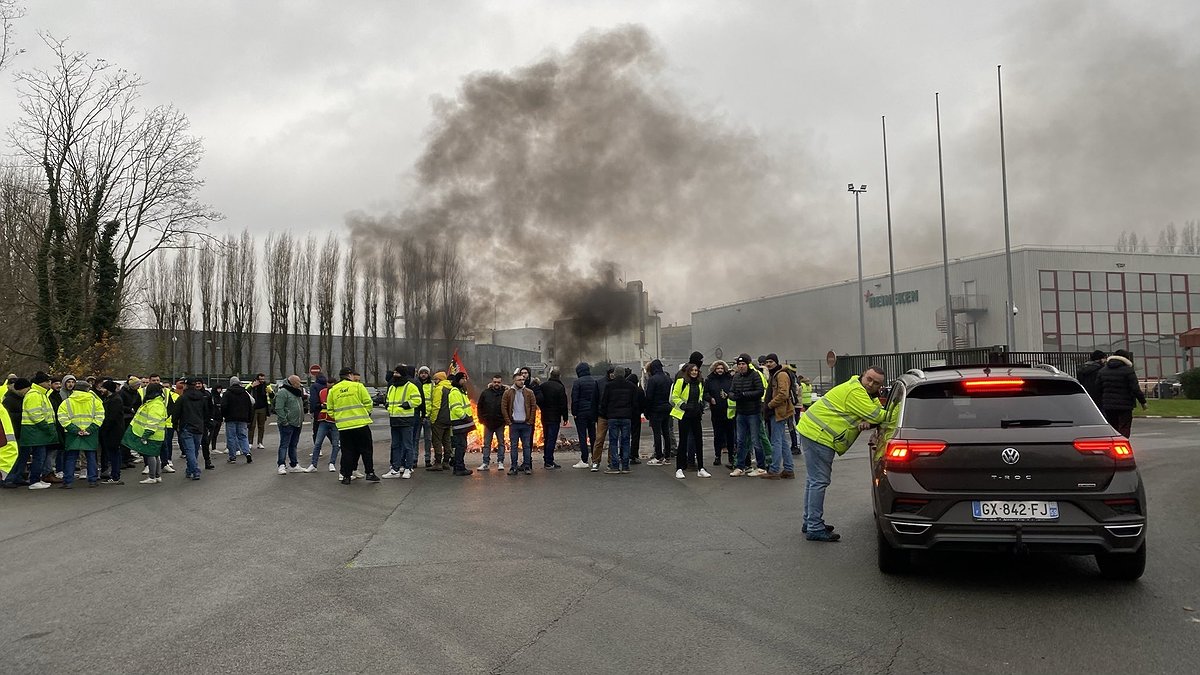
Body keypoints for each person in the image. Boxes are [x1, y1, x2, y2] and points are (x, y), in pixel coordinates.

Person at [796, 367, 887, 542]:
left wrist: (870, 418)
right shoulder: (856, 392)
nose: (871, 384)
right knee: (818, 481)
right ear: (863, 375)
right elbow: (879, 415)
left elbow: (873, 413)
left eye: (876, 383)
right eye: (869, 379)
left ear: (880, 387)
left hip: (812, 431)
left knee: (812, 480)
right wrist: (873, 418)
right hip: (820, 435)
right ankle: (814, 527)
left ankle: (810, 522)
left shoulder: (857, 388)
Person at [328, 367, 379, 485]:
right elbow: (368, 402)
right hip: (360, 424)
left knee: (347, 451)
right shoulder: (358, 386)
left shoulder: (333, 390)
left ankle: (346, 476)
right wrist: (365, 413)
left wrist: (339, 418)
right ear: (350, 375)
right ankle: (370, 473)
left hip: (344, 427)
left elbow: (330, 409)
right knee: (366, 450)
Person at [57, 380, 104, 488]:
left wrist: (74, 429)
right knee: (91, 456)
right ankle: (92, 480)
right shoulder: (94, 401)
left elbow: (62, 417)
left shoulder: (67, 402)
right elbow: (100, 416)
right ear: (87, 389)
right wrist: (90, 429)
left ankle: (68, 481)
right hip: (90, 433)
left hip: (72, 434)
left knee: (71, 457)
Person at [123, 383, 169, 485]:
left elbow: (153, 421)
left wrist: (146, 434)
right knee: (155, 455)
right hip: (157, 434)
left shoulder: (154, 404)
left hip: (152, 434)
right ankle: (157, 476)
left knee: (150, 455)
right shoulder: (156, 403)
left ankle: (152, 476)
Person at [382, 365, 422, 479]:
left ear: (402, 374)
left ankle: (408, 468)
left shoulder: (410, 386)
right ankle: (395, 469)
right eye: (394, 372)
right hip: (394, 420)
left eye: (397, 373)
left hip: (406, 420)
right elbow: (389, 401)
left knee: (408, 445)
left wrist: (407, 404)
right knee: (395, 445)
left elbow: (418, 400)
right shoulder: (392, 387)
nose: (395, 375)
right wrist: (388, 407)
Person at [671, 362, 710, 479]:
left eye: (696, 370)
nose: (694, 372)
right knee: (683, 442)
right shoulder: (681, 382)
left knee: (699, 441)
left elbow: (701, 396)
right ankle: (679, 468)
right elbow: (675, 396)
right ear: (688, 371)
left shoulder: (700, 383)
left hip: (696, 414)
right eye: (692, 370)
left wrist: (701, 405)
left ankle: (701, 468)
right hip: (685, 414)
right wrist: (683, 405)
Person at [1097, 350, 1147, 438]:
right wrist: (1142, 402)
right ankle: (1123, 444)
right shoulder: (1128, 371)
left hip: (1108, 405)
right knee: (1124, 426)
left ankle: (1113, 444)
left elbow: (1098, 388)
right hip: (1125, 404)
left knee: (1112, 426)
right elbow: (1135, 388)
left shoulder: (1103, 371)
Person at [20, 372, 56, 490]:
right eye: (48, 382)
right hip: (35, 430)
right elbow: (35, 414)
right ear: (42, 383)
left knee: (40, 456)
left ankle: (36, 479)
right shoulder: (34, 395)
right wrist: (46, 426)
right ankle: (34, 480)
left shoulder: (40, 394)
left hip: (37, 431)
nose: (49, 384)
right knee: (39, 457)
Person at [763, 354, 797, 480]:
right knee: (782, 441)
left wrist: (770, 405)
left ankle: (774, 470)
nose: (768, 364)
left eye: (771, 361)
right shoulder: (775, 374)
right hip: (778, 411)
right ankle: (788, 469)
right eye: (767, 362)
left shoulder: (780, 374)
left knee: (776, 441)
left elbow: (783, 394)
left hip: (778, 412)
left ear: (776, 362)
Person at [599, 366, 638, 474]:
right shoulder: (631, 386)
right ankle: (625, 466)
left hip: (613, 417)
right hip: (626, 417)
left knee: (613, 442)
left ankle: (614, 466)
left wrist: (606, 414)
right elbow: (635, 403)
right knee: (625, 441)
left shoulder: (609, 386)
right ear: (625, 374)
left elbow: (604, 402)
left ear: (615, 374)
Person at [502, 372, 537, 475]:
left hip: (526, 424)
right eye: (519, 380)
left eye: (523, 380)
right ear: (514, 381)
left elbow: (533, 406)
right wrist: (509, 421)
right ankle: (513, 467)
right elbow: (503, 407)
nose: (522, 381)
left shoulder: (529, 392)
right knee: (514, 446)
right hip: (514, 424)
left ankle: (527, 466)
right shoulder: (508, 393)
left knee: (526, 446)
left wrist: (530, 421)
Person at [704, 360, 736, 468]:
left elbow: (734, 391)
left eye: (722, 368)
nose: (720, 370)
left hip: (729, 411)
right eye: (718, 368)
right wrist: (710, 398)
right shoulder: (709, 380)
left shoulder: (730, 379)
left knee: (730, 435)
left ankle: (731, 456)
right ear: (714, 369)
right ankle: (717, 456)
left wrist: (729, 395)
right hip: (716, 411)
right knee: (717, 435)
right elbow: (705, 393)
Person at [305, 375, 340, 472]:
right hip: (323, 420)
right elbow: (316, 403)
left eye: (331, 385)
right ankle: (313, 464)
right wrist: (320, 406)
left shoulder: (338, 393)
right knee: (317, 443)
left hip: (334, 420)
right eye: (328, 385)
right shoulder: (322, 392)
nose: (329, 387)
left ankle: (332, 463)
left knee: (335, 444)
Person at [537, 367, 569, 469]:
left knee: (547, 438)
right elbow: (563, 404)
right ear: (559, 376)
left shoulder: (543, 386)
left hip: (544, 416)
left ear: (550, 375)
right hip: (555, 417)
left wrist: (543, 408)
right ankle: (549, 461)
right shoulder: (560, 387)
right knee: (551, 439)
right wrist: (565, 417)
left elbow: (539, 399)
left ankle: (547, 459)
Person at [1, 378, 30, 488]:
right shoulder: (9, 400)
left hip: (19, 432)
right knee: (12, 457)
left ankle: (17, 477)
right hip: (12, 432)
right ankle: (8, 479)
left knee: (21, 457)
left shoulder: (20, 399)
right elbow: (8, 418)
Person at [570, 362, 600, 469]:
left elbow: (575, 399)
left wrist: (574, 413)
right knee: (593, 436)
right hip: (592, 413)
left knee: (582, 436)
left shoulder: (577, 382)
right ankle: (595, 459)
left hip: (581, 413)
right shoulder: (594, 381)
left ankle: (584, 460)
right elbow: (597, 398)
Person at [275, 375, 306, 475]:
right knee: (284, 444)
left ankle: (294, 464)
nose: (300, 385)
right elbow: (279, 408)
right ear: (292, 383)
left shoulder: (297, 393)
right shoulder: (283, 392)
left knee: (293, 445)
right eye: (298, 383)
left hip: (297, 423)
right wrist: (284, 421)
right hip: (287, 424)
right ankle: (281, 465)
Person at [643, 360, 672, 466]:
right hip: (667, 408)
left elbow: (649, 397)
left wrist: (647, 411)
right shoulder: (668, 379)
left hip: (656, 409)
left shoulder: (652, 380)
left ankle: (658, 456)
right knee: (666, 432)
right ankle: (667, 456)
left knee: (657, 433)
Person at [96, 380, 126, 485]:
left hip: (114, 432)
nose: (101, 390)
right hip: (112, 431)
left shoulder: (115, 400)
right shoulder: (110, 399)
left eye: (103, 388)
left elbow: (111, 418)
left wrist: (104, 429)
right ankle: (114, 475)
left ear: (108, 389)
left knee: (114, 454)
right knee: (113, 453)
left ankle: (115, 476)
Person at [476, 373, 507, 471]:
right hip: (488, 423)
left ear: (501, 383)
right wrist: (481, 419)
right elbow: (479, 406)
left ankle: (500, 462)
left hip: (500, 423)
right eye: (495, 382)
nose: (496, 384)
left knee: (501, 443)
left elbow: (509, 406)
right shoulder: (485, 393)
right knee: (486, 444)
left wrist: (505, 420)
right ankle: (485, 463)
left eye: (498, 382)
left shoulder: (505, 393)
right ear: (492, 382)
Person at [447, 372, 475, 477]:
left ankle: (460, 466)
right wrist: (465, 417)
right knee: (460, 446)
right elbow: (456, 408)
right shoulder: (455, 392)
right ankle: (459, 468)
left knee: (462, 446)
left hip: (463, 424)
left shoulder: (461, 391)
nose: (465, 381)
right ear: (458, 380)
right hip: (459, 423)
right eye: (463, 379)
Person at [222, 376, 254, 463]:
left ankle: (232, 457)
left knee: (231, 437)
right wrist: (249, 418)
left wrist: (224, 415)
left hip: (230, 418)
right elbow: (250, 406)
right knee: (243, 436)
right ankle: (247, 453)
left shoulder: (227, 393)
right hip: (243, 418)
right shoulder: (244, 393)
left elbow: (224, 406)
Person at [426, 371, 453, 471]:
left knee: (437, 441)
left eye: (436, 379)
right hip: (449, 419)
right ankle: (446, 462)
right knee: (447, 441)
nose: (435, 381)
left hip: (440, 419)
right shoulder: (451, 388)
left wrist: (433, 419)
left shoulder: (439, 389)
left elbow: (436, 405)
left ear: (440, 379)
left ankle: (438, 463)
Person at [625, 369, 645, 465]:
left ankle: (623, 455)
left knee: (624, 436)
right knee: (635, 436)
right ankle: (634, 455)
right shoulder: (639, 391)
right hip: (636, 415)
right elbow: (643, 404)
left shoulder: (625, 390)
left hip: (626, 415)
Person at [416, 366, 434, 468]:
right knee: (415, 439)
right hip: (418, 416)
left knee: (428, 439)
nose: (423, 374)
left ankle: (427, 459)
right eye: (422, 373)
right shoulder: (415, 384)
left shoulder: (432, 385)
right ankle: (414, 459)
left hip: (427, 416)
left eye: (425, 373)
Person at [249, 373, 270, 449]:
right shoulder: (252, 384)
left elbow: (271, 396)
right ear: (257, 379)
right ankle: (250, 442)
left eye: (263, 379)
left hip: (263, 408)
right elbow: (245, 391)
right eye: (260, 379)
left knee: (261, 426)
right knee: (252, 426)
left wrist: (270, 392)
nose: (262, 381)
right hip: (254, 408)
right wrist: (252, 386)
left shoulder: (266, 385)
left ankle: (260, 442)